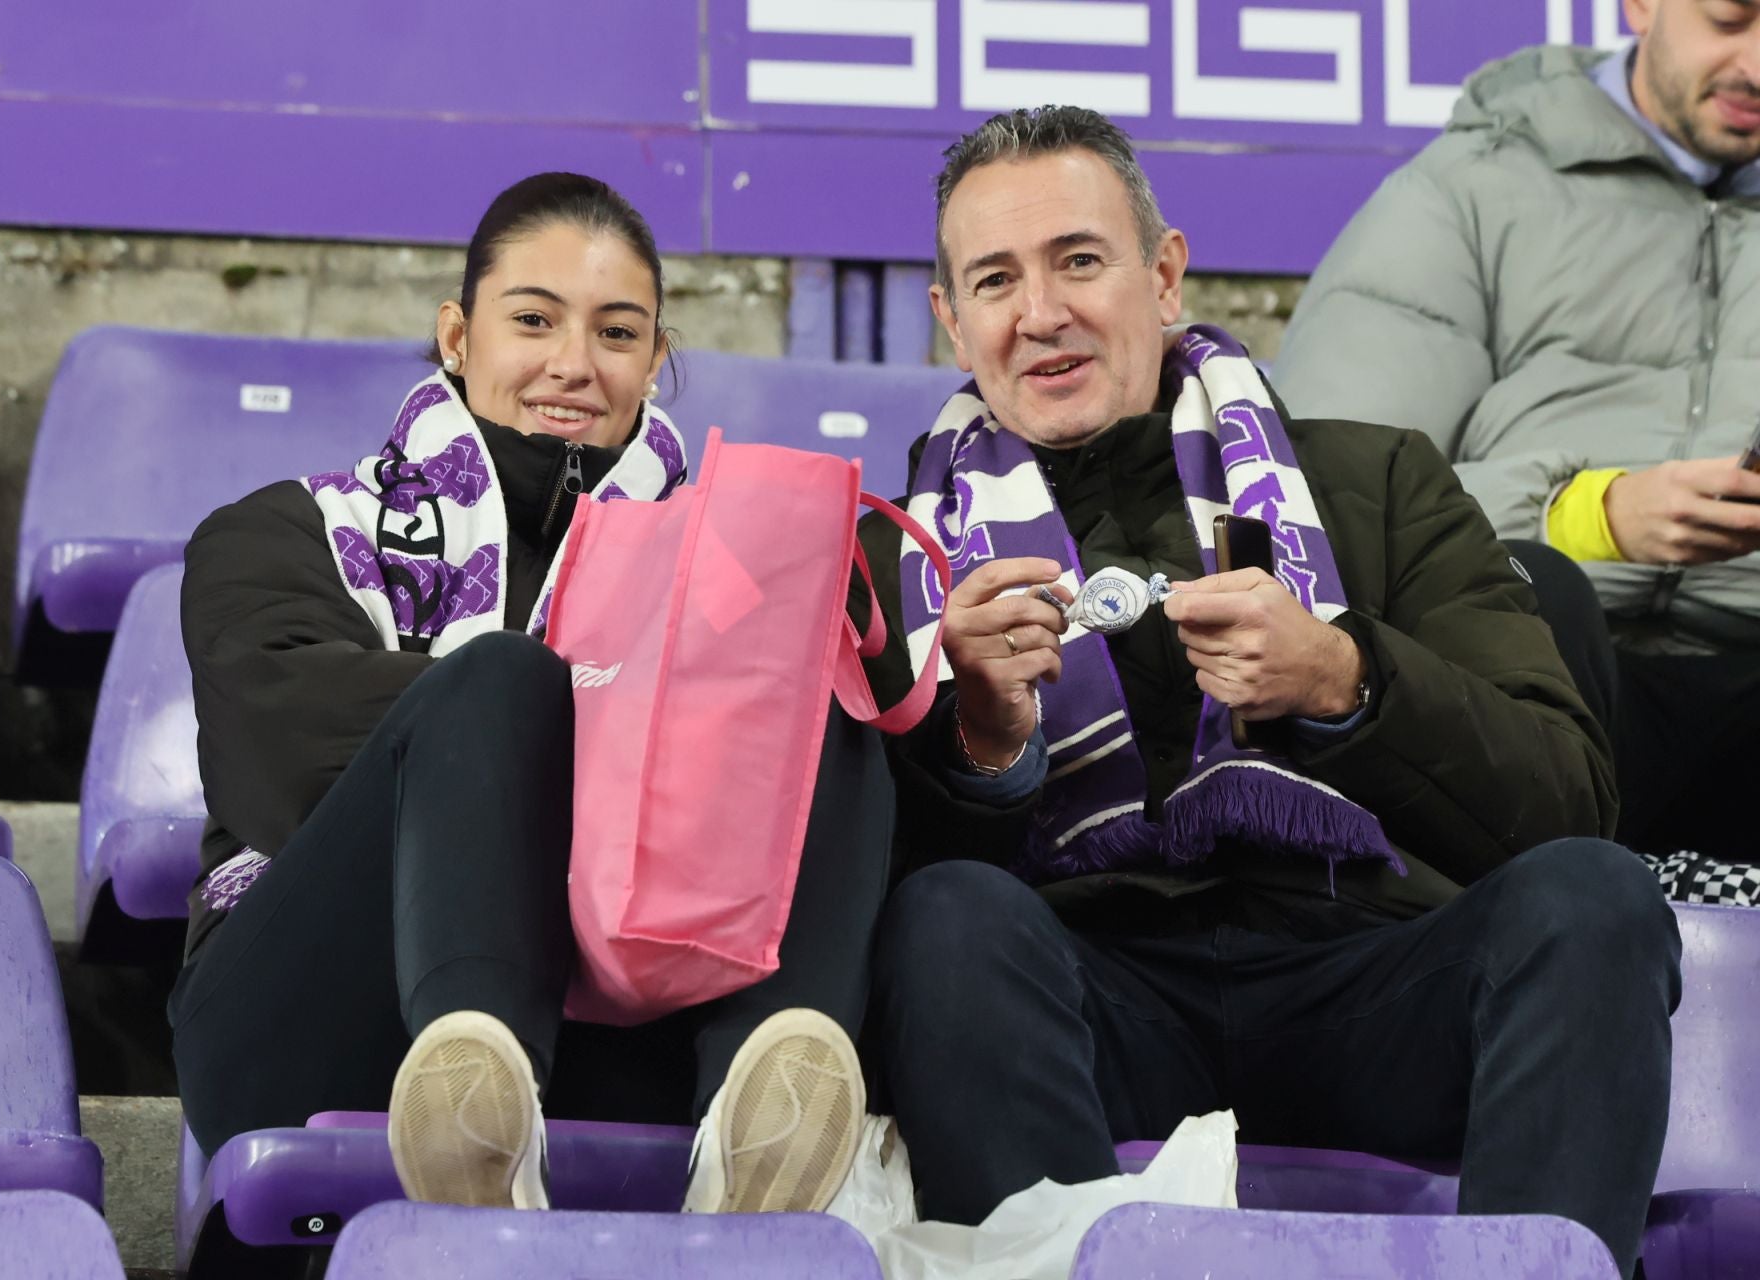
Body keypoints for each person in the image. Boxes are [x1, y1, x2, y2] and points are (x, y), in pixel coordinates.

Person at [853, 107, 1680, 1278]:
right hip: (1095, 1000)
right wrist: (986, 745)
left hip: (1375, 979)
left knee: (1593, 896)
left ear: (1166, 273)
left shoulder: (1376, 480)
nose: (1040, 313)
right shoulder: (901, 562)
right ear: (952, 320)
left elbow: (1563, 801)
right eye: (995, 279)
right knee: (945, 920)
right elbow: (857, 915)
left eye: (1080, 260)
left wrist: (1349, 676)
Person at [168, 172, 887, 1216]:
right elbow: (279, 763)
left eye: (617, 333)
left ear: (654, 362)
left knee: (816, 673)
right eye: (534, 319)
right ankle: (476, 1091)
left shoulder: (732, 581)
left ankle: (758, 1122)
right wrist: (610, 721)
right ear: (458, 336)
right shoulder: (283, 530)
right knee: (504, 679)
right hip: (314, 1014)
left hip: (621, 1035)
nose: (573, 364)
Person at [1273, 1, 1760, 903]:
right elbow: (1317, 504)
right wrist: (1590, 515)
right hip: (1539, 676)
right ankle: (1528, 944)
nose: (1758, 65)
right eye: (1731, 17)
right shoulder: (1470, 188)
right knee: (1546, 594)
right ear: (1641, 5)